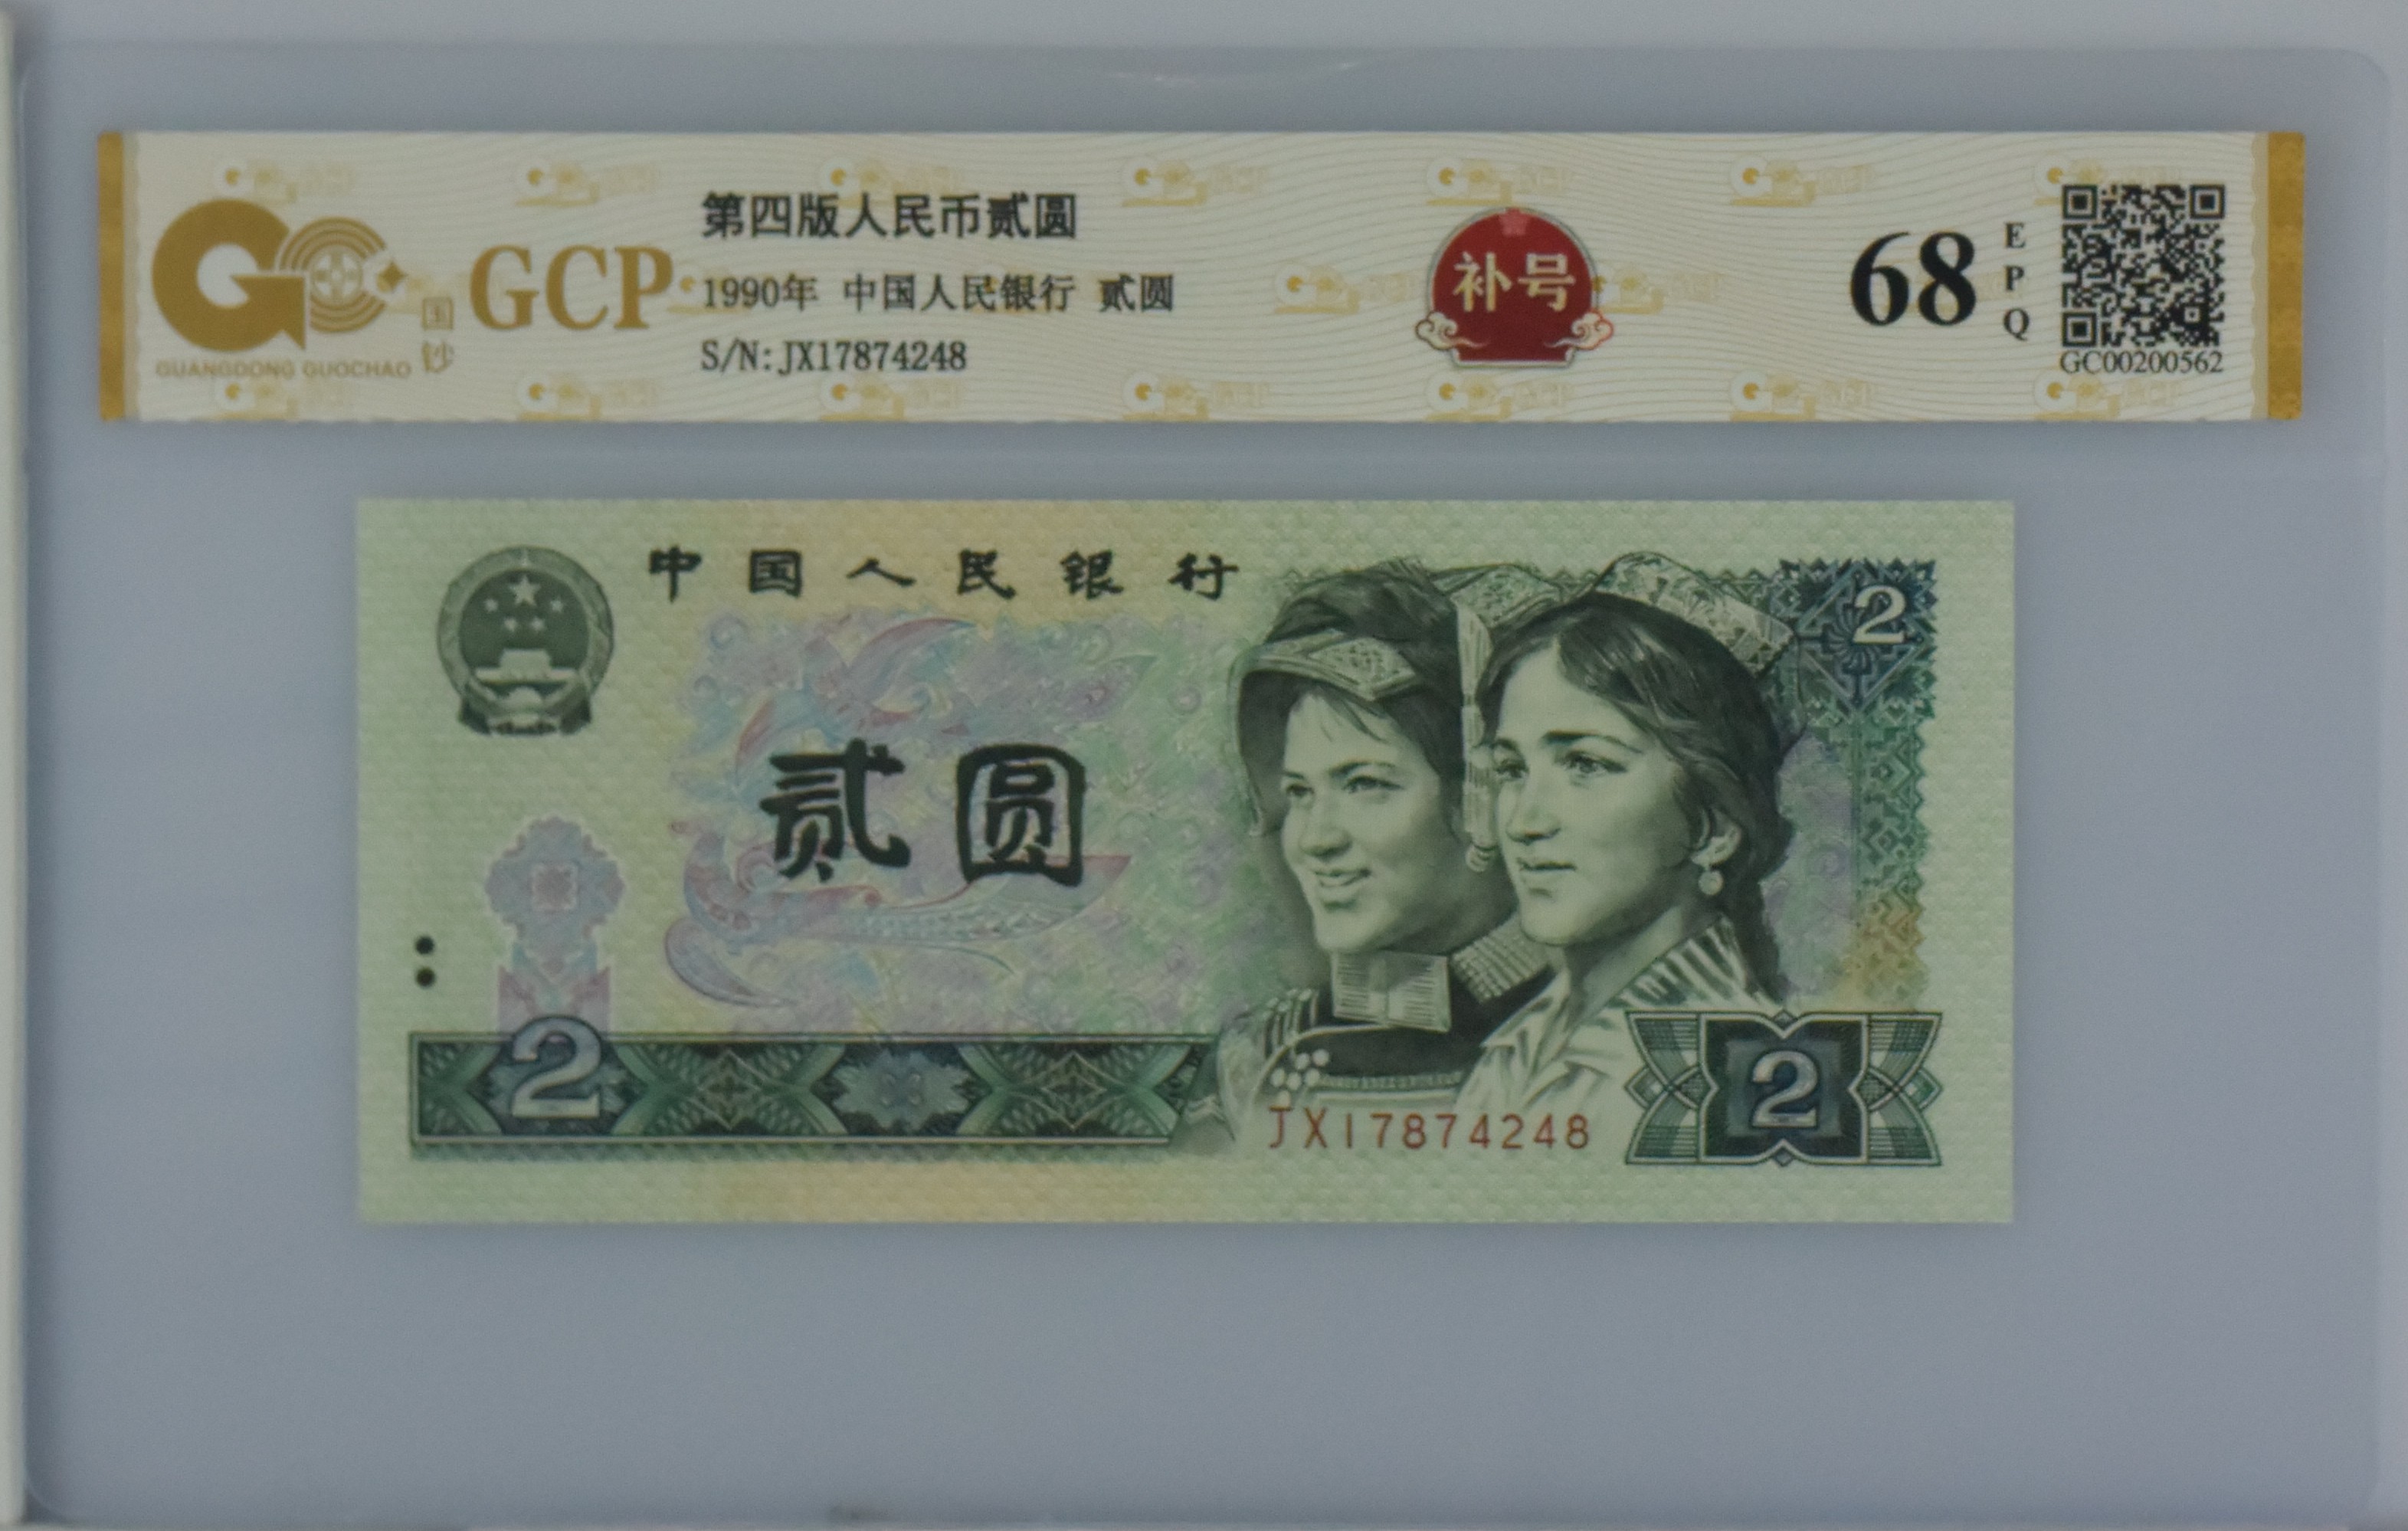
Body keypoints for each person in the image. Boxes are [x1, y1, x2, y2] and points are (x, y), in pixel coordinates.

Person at [1181, 562, 1566, 1145]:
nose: (1315, 840)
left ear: (1483, 796)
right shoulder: (1255, 1059)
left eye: (1364, 784)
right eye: (1299, 793)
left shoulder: (1598, 1043)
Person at [1454, 556, 1794, 1143]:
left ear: (1713, 827)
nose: (1524, 822)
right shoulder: (1517, 1047)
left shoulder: (1737, 1074)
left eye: (1585, 764)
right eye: (1511, 770)